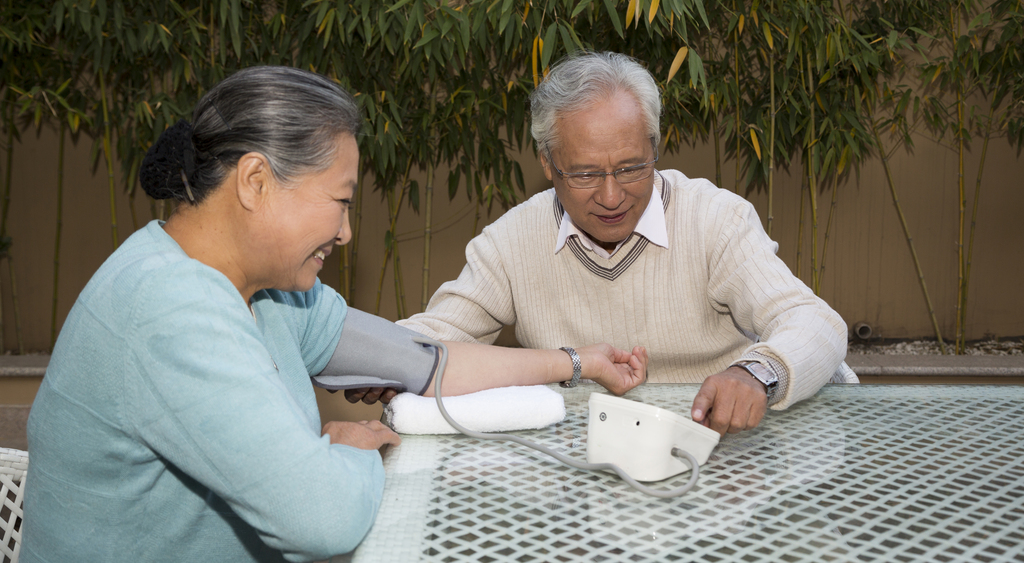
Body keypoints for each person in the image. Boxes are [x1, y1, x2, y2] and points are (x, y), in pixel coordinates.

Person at [23, 66, 647, 563]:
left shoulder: (269, 290)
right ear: (255, 181)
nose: (347, 233)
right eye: (340, 201)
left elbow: (422, 364)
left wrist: (574, 361)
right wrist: (349, 449)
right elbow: (323, 521)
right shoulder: (170, 310)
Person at [399, 51, 850, 436]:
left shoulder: (715, 219)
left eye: (632, 168)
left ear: (655, 145)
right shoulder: (511, 242)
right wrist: (357, 349)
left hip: (733, 449)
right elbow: (428, 343)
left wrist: (755, 373)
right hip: (593, 463)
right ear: (548, 162)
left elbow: (814, 322)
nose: (612, 196)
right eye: (585, 174)